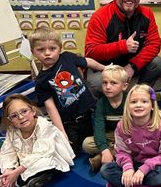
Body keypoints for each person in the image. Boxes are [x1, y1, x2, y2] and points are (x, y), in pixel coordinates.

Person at [85, 0, 161, 96]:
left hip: (131, 62)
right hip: (105, 67)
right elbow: (91, 51)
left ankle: (140, 95)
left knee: (158, 63)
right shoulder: (100, 16)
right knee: (96, 83)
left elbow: (154, 44)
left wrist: (132, 66)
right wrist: (122, 46)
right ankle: (107, 105)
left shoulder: (147, 13)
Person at [30, 27, 105, 155]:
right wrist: (62, 132)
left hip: (90, 113)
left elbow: (88, 62)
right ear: (33, 52)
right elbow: (50, 108)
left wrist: (106, 69)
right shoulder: (41, 81)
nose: (47, 53)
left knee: (96, 144)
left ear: (60, 48)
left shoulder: (67, 57)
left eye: (52, 48)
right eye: (41, 50)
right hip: (69, 123)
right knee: (71, 153)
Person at [100, 84, 161, 187]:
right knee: (105, 170)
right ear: (128, 106)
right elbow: (121, 152)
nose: (139, 105)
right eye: (134, 102)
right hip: (133, 163)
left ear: (152, 106)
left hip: (155, 166)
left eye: (144, 101)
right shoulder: (122, 126)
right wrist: (128, 168)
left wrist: (144, 169)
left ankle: (121, 186)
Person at [0, 94, 74, 187]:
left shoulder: (44, 125)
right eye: (14, 116)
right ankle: (12, 178)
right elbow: (8, 151)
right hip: (26, 158)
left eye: (24, 111)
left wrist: (17, 171)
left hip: (47, 155)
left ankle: (18, 181)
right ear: (9, 120)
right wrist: (8, 170)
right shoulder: (12, 130)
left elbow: (42, 153)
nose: (21, 117)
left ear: (33, 111)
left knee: (43, 163)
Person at [82, 65, 129, 173]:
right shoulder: (101, 103)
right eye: (105, 83)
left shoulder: (130, 99)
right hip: (110, 136)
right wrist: (104, 149)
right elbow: (99, 128)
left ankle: (103, 157)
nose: (108, 87)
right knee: (86, 144)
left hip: (128, 135)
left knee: (140, 144)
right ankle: (114, 153)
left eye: (113, 83)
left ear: (124, 86)